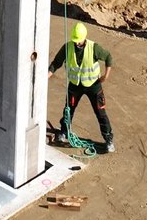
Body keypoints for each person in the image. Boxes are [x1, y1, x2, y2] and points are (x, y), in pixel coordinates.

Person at [49, 21, 114, 153]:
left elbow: (108, 57)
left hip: (93, 86)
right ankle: (64, 132)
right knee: (68, 110)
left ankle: (109, 140)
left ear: (84, 38)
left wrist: (106, 76)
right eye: (75, 41)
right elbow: (56, 63)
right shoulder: (68, 47)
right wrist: (48, 74)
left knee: (100, 113)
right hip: (75, 86)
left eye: (79, 41)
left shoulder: (94, 48)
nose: (77, 43)